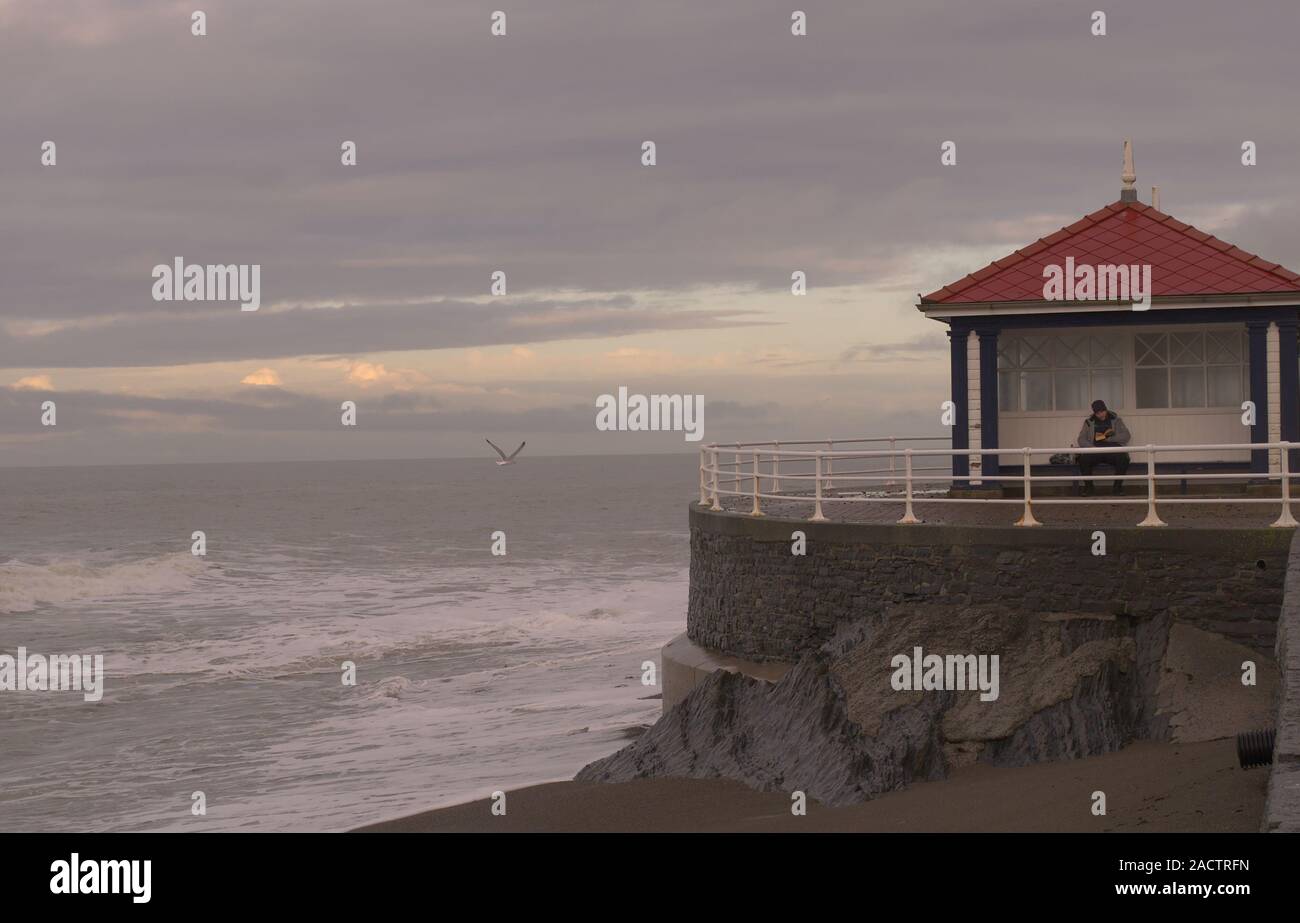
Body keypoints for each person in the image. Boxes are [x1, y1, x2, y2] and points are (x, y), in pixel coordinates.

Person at [1076, 399, 1131, 496]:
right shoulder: (1089, 422)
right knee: (1083, 460)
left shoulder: (1116, 420)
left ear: (1106, 409)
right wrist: (1091, 447)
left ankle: (1117, 488)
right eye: (1098, 413)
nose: (1101, 414)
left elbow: (1126, 436)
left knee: (1124, 458)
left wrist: (1109, 439)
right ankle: (1089, 488)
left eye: (1102, 411)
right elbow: (1081, 439)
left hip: (1112, 449)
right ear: (1094, 413)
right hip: (1095, 450)